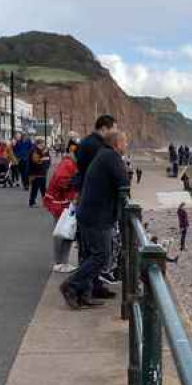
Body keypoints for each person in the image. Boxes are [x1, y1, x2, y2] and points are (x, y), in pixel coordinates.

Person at [60, 130, 130, 310]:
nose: (126, 146)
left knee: (92, 255)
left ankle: (84, 293)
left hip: (90, 212)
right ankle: (71, 285)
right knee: (101, 256)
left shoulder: (104, 155)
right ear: (117, 144)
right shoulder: (111, 157)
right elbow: (123, 182)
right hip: (97, 215)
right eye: (125, 142)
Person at [44, 138, 79, 272]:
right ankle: (60, 262)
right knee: (63, 232)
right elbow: (60, 180)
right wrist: (74, 183)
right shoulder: (68, 164)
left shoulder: (68, 163)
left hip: (62, 202)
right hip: (61, 202)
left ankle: (62, 261)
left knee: (65, 231)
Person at [73, 115, 116, 190]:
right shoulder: (98, 146)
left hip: (85, 188)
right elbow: (102, 172)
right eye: (114, 129)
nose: (116, 133)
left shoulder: (86, 141)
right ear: (104, 129)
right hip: (93, 191)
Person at [27, 137, 50, 207]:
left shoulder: (44, 150)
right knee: (35, 188)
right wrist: (43, 162)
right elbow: (35, 162)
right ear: (38, 144)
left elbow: (48, 159)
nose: (43, 145)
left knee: (43, 188)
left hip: (42, 172)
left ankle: (45, 202)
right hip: (36, 173)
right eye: (42, 143)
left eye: (43, 143)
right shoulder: (34, 151)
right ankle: (32, 202)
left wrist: (46, 166)